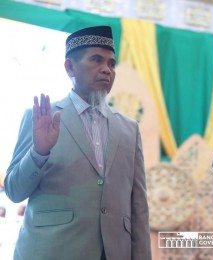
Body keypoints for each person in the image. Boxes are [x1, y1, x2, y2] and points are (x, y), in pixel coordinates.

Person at [4, 26, 151, 260]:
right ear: (70, 67)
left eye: (112, 64)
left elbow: (139, 207)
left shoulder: (129, 129)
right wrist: (39, 151)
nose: (106, 70)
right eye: (96, 60)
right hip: (51, 251)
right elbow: (13, 191)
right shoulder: (42, 117)